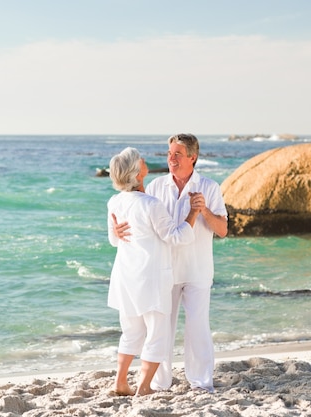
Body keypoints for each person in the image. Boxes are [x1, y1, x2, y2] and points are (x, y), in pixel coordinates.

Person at [113, 134, 228, 393]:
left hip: (197, 269)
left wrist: (205, 211)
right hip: (163, 271)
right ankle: (159, 382)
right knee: (161, 330)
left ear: (192, 157)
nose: (171, 158)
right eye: (169, 153)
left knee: (198, 328)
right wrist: (118, 232)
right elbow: (137, 217)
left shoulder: (209, 187)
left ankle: (200, 382)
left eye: (177, 153)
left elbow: (222, 229)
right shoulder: (155, 186)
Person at [106, 147, 203, 396]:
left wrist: (117, 233)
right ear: (138, 173)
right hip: (151, 276)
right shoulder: (151, 204)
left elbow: (114, 240)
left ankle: (120, 382)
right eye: (142, 160)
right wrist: (193, 212)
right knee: (157, 333)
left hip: (125, 276)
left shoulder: (114, 201)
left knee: (131, 331)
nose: (146, 161)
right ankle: (144, 387)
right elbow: (176, 236)